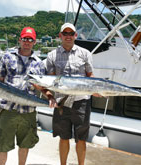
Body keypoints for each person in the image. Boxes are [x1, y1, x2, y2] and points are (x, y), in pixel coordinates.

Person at [0, 27, 56, 165]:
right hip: (8, 110)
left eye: (30, 39)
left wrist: (50, 97)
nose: (27, 42)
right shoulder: (7, 57)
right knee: (1, 145)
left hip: (28, 112)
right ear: (20, 40)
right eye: (25, 39)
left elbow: (42, 87)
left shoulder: (39, 63)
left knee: (25, 145)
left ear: (34, 42)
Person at [46, 23, 100, 165]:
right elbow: (51, 79)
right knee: (63, 137)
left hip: (81, 101)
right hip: (61, 102)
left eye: (71, 33)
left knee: (81, 138)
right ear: (60, 36)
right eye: (65, 33)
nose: (68, 36)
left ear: (75, 35)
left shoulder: (85, 53)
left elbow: (90, 75)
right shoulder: (51, 55)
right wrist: (50, 96)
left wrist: (97, 89)